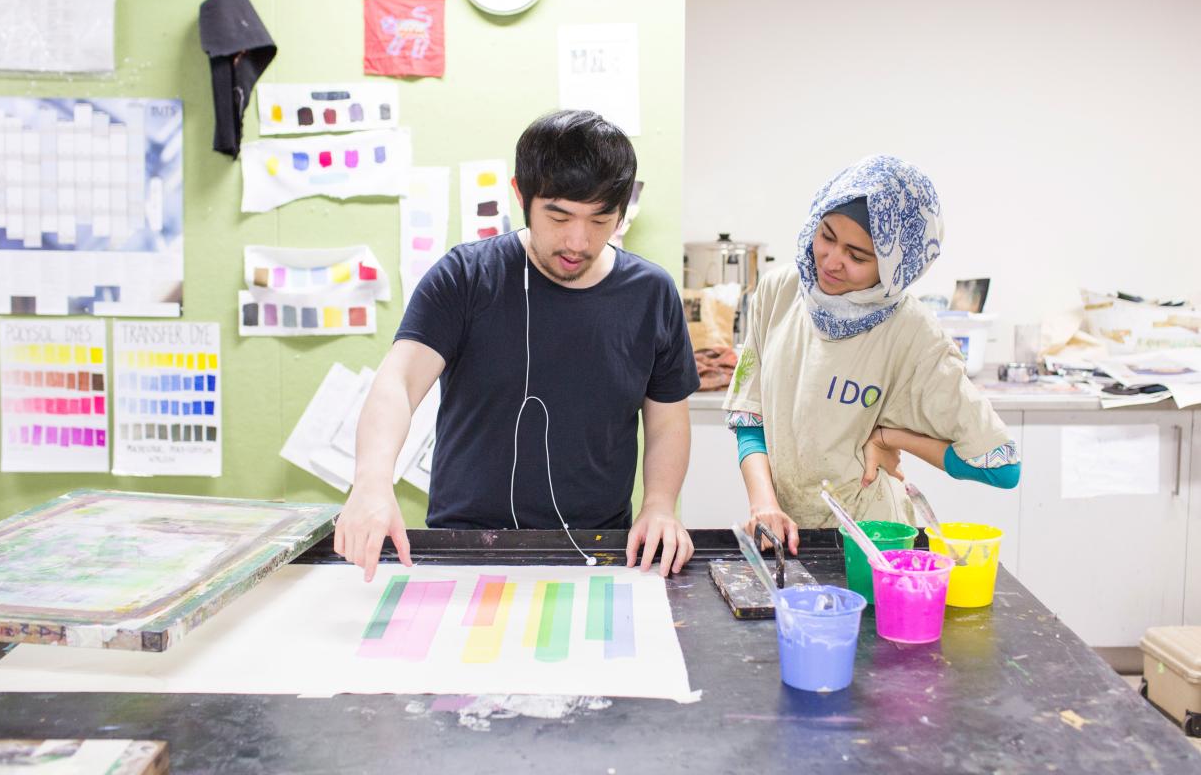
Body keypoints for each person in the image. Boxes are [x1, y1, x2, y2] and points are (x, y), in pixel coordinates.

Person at [334, 110, 700, 579]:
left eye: (600, 219)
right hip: (463, 548)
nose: (577, 240)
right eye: (559, 215)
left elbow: (668, 420)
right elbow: (399, 382)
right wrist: (370, 481)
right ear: (520, 195)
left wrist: (660, 505)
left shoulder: (651, 294)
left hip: (600, 550)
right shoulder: (465, 278)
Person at [723, 155, 1020, 553]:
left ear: (894, 265)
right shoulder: (780, 292)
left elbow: (1002, 469)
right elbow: (750, 417)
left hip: (875, 543)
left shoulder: (913, 335)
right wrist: (764, 504)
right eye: (826, 236)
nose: (830, 262)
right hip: (787, 536)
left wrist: (889, 437)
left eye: (858, 256)